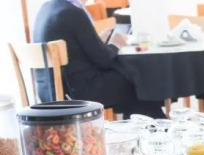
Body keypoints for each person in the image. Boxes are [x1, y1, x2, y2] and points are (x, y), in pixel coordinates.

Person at [33, 0, 165, 118]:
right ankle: (155, 128)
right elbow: (103, 59)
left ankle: (140, 128)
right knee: (138, 82)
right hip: (78, 93)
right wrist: (116, 43)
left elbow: (75, 50)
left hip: (50, 92)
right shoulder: (73, 12)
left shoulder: (45, 9)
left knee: (131, 84)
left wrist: (97, 40)